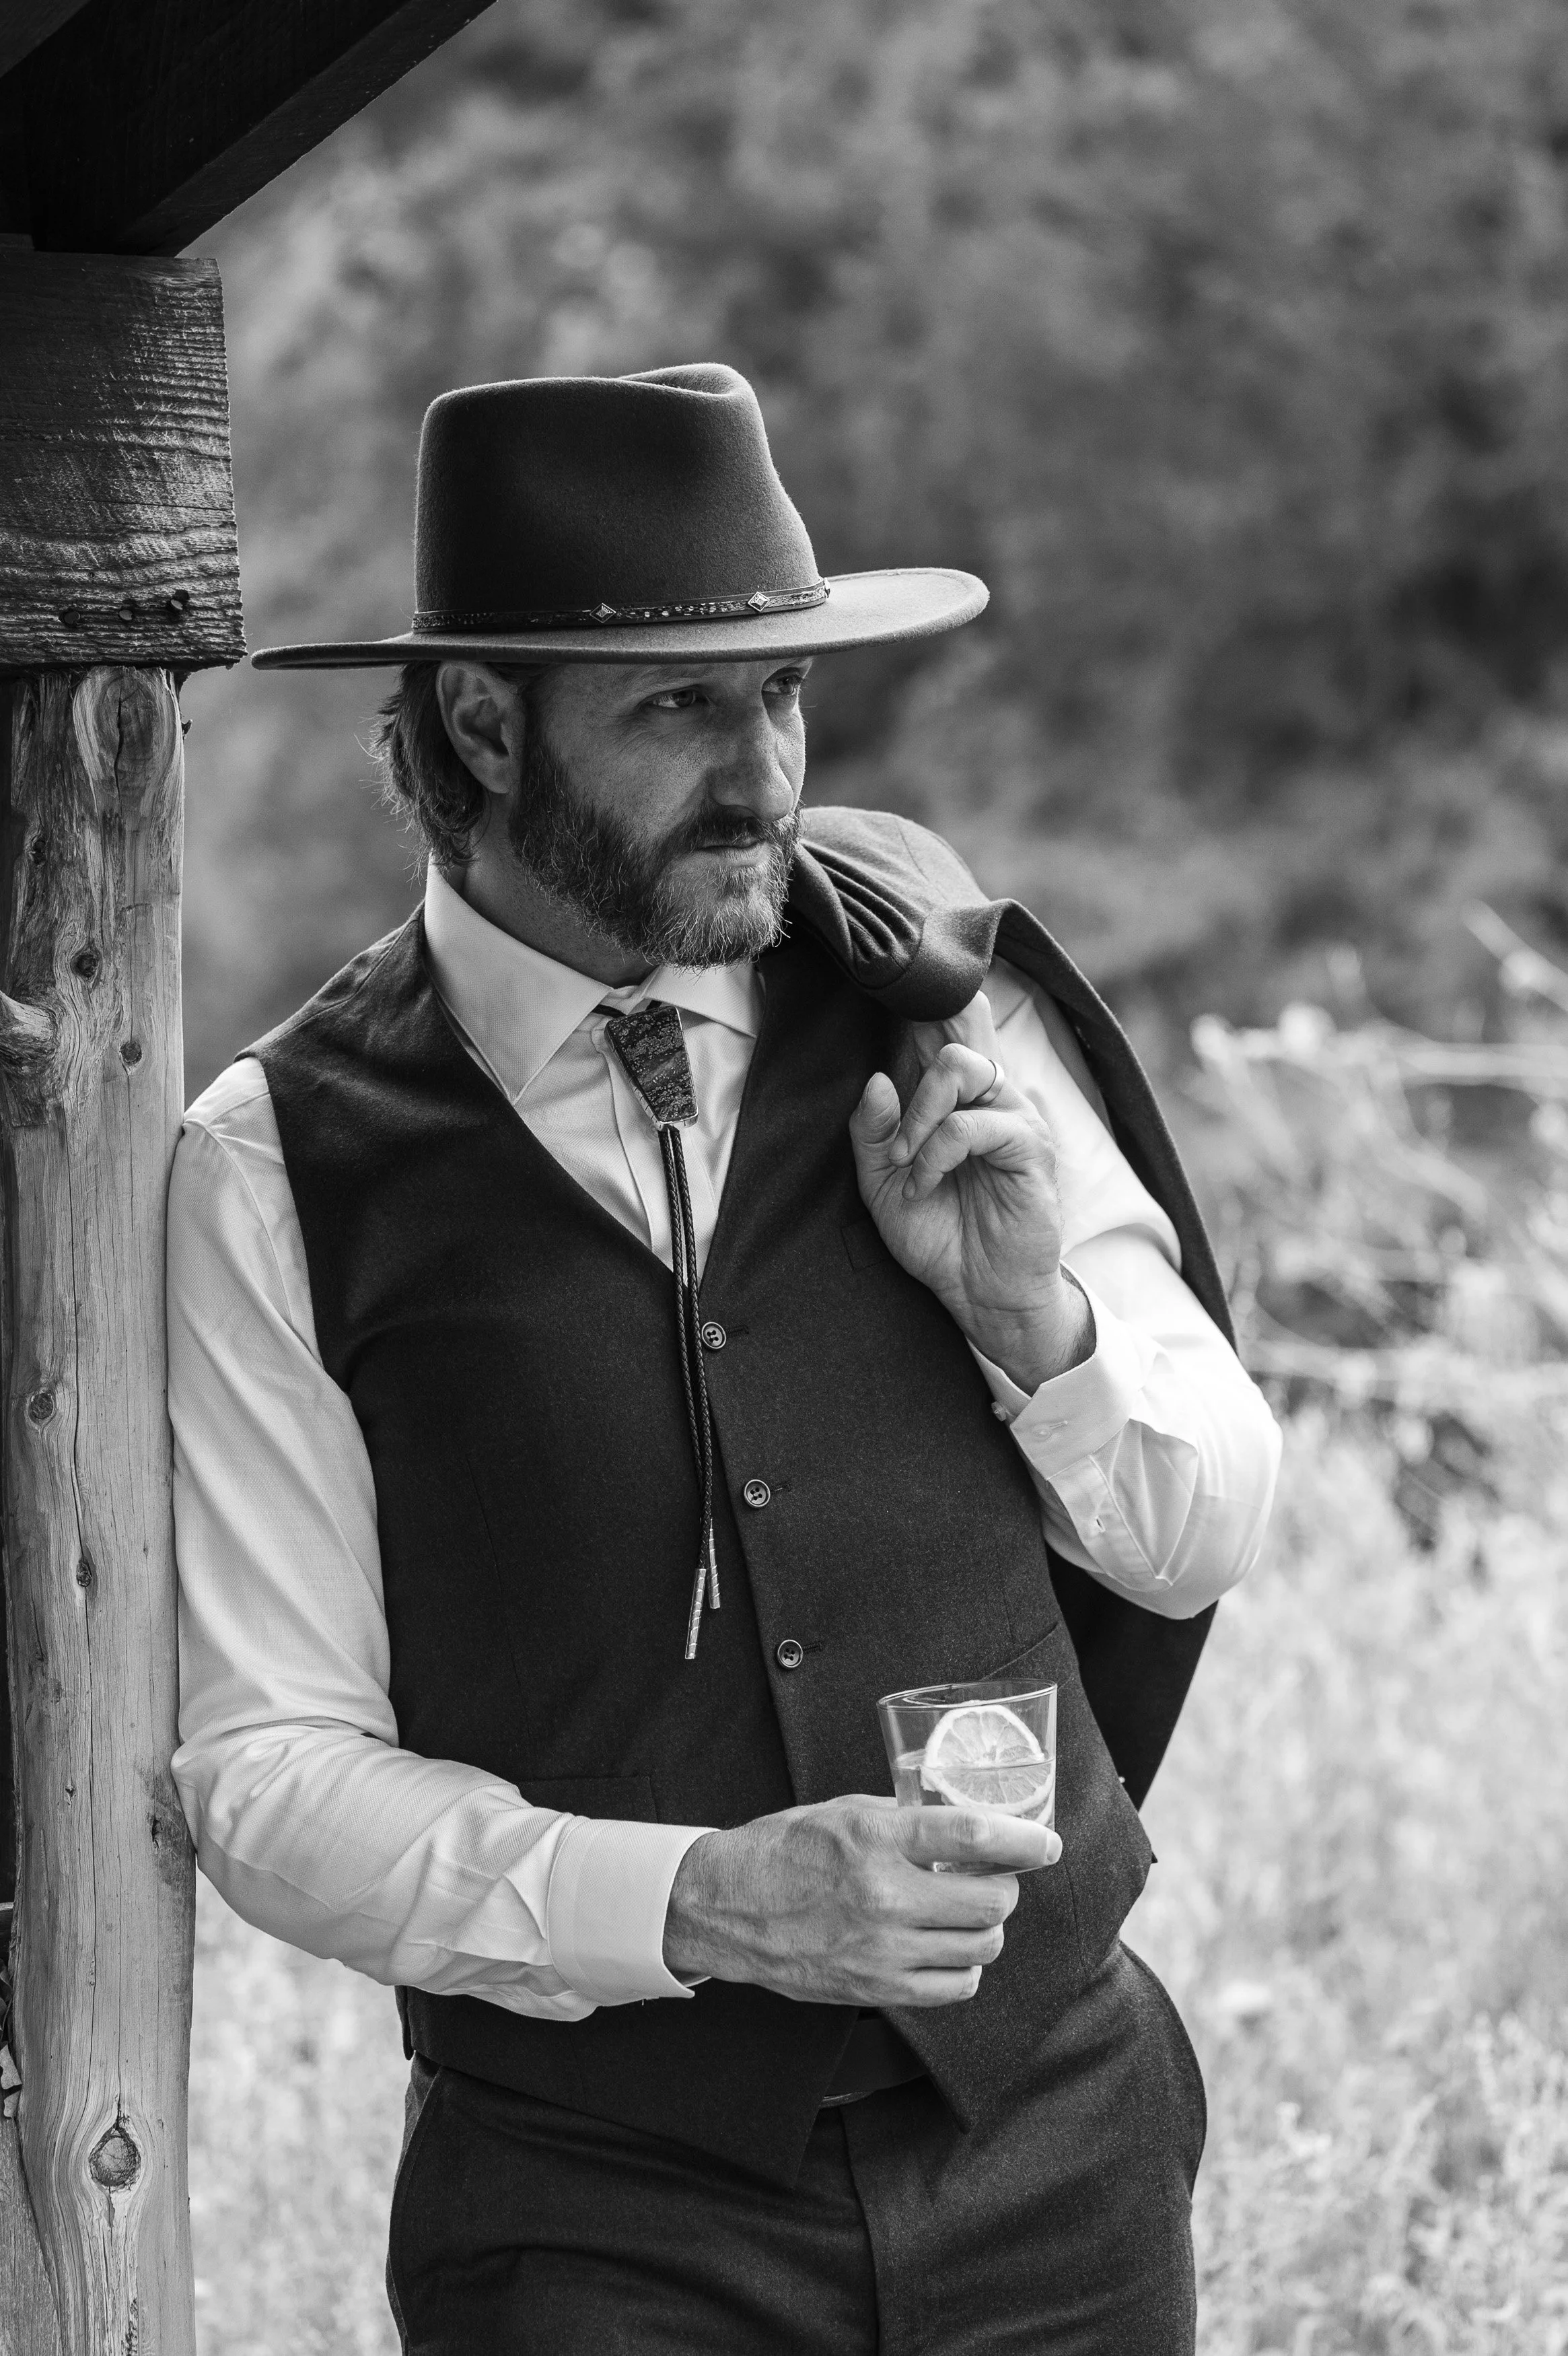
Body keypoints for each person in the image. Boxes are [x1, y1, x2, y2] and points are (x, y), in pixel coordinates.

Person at [168, 362, 1281, 2355]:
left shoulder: (937, 1000)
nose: (765, 773)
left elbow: (1203, 1523)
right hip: (598, 2223)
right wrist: (699, 1898)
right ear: (487, 727)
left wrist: (1039, 1319)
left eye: (781, 693)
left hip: (1057, 2152)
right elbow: (265, 1770)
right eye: (682, 707)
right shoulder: (275, 1167)